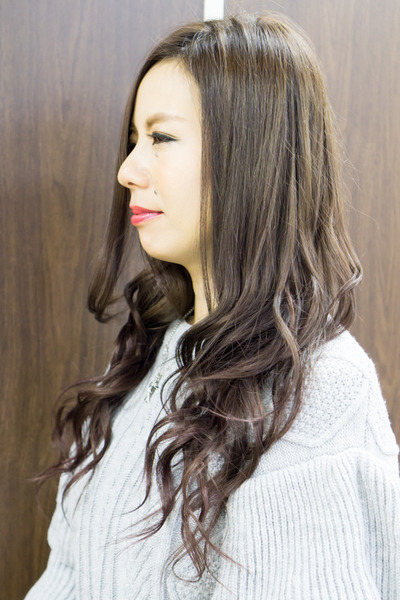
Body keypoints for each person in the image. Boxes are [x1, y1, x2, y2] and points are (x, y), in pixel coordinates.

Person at [26, 12, 400, 600]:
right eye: (134, 140)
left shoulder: (319, 388)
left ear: (250, 156)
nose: (127, 170)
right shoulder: (157, 352)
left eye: (161, 138)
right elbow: (67, 577)